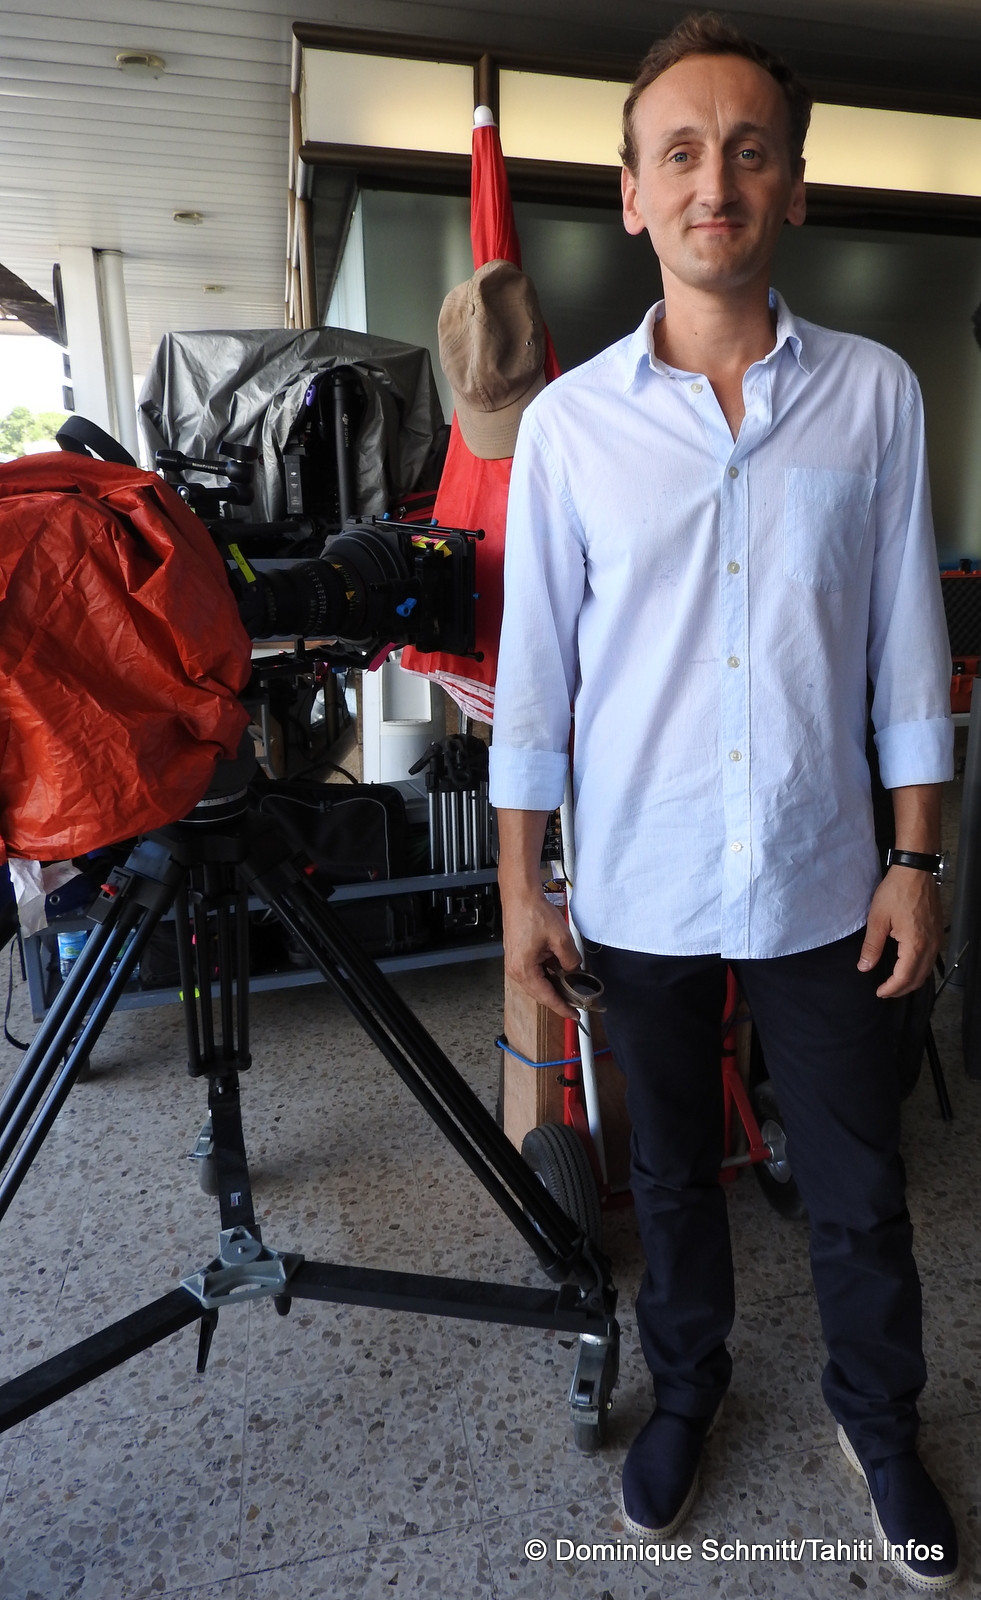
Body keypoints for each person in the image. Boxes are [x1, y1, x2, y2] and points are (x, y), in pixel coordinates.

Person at [489, 13, 960, 1592]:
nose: (715, 182)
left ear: (792, 188)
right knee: (670, 1174)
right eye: (680, 153)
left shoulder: (874, 396)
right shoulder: (570, 428)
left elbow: (907, 650)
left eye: (747, 151)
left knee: (858, 1185)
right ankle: (686, 1389)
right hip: (640, 883)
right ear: (632, 195)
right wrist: (519, 893)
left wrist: (915, 862)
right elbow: (536, 684)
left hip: (828, 879)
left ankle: (877, 1420)